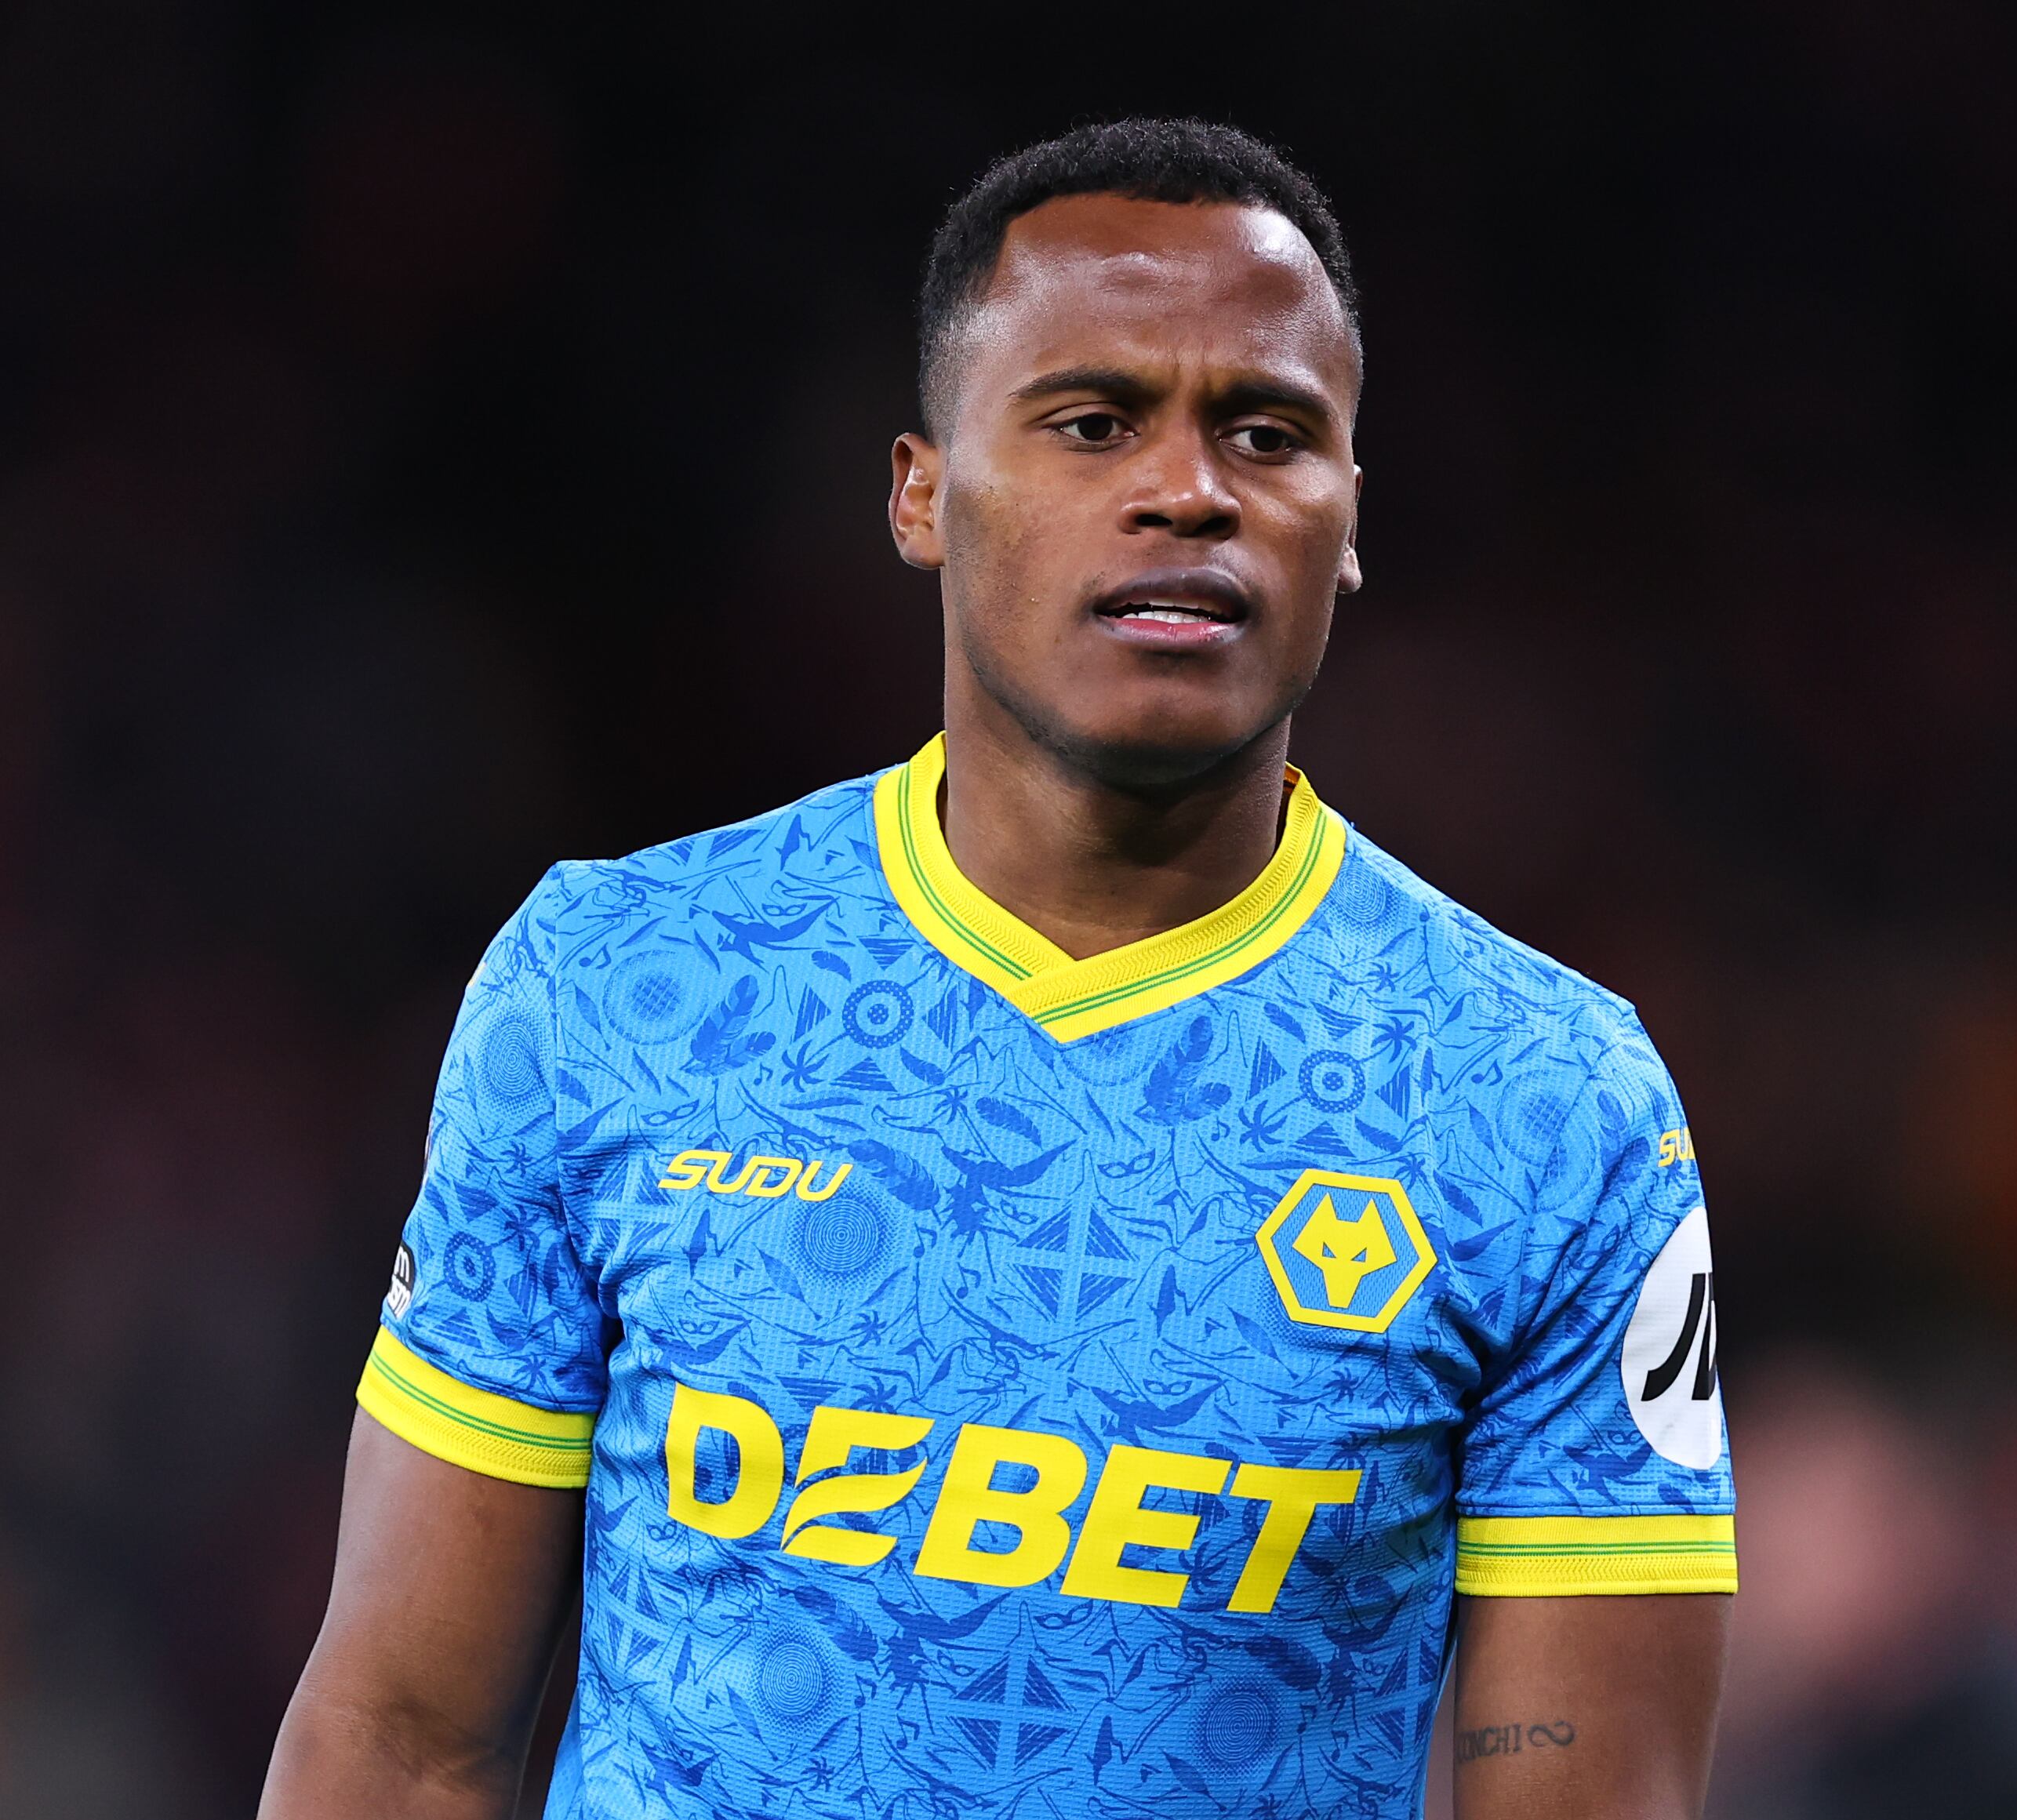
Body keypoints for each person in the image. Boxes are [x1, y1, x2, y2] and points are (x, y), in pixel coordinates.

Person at [258, 117, 1732, 1820]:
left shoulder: (1550, 1107)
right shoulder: (618, 985)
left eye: (1267, 433)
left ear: (1343, 524)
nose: (1191, 488)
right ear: (921, 493)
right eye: (1095, 421)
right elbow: (399, 1739)